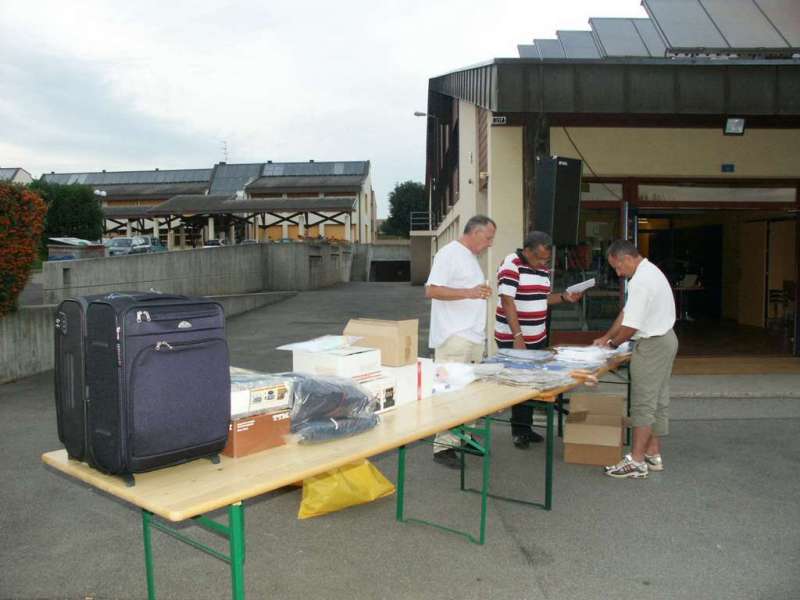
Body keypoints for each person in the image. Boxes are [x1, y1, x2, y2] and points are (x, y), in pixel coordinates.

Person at [592, 239, 678, 479]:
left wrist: (612, 345)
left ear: (627, 258)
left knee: (643, 403)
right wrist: (607, 336)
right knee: (657, 400)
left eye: (618, 268)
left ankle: (637, 461)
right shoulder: (650, 271)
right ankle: (652, 453)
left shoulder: (641, 281)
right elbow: (627, 312)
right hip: (665, 339)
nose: (618, 273)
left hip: (652, 345)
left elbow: (631, 325)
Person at [494, 231, 582, 449]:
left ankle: (526, 427)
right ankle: (519, 431)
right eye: (540, 258)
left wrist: (564, 297)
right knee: (520, 383)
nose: (544, 263)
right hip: (514, 338)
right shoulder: (511, 264)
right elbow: (507, 302)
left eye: (546, 259)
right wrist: (518, 337)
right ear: (527, 250)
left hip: (536, 337)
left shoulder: (542, 270)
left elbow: (542, 298)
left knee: (532, 382)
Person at [425, 215, 496, 469]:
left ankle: (463, 437)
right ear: (475, 233)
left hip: (471, 337)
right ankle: (443, 446)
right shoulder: (449, 254)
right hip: (454, 337)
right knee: (449, 392)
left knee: (469, 392)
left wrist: (478, 293)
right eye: (488, 238)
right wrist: (470, 292)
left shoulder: (469, 257)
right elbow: (431, 290)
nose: (490, 243)